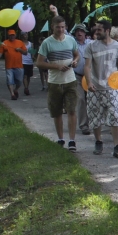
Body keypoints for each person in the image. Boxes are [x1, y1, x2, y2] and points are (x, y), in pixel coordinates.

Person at [83, 20, 118, 159]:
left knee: (114, 116)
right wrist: (89, 83)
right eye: (96, 29)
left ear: (107, 30)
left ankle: (117, 146)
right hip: (95, 87)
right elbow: (87, 66)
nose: (96, 32)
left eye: (99, 30)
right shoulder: (91, 46)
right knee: (95, 116)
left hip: (112, 87)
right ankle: (98, 141)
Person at [35, 15, 80, 151]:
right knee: (57, 112)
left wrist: (75, 61)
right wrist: (56, 66)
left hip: (70, 80)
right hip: (54, 82)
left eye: (63, 27)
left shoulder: (71, 40)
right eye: (58, 27)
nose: (61, 30)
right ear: (52, 28)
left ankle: (72, 140)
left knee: (71, 110)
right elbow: (39, 62)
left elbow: (76, 54)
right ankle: (61, 138)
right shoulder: (47, 43)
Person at [0, 29, 27, 100]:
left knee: (19, 81)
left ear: (15, 35)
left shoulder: (20, 42)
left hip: (19, 65)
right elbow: (0, 53)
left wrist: (20, 50)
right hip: (9, 66)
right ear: (8, 36)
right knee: (10, 80)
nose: (12, 36)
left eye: (13, 35)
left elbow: (25, 52)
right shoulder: (4, 43)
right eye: (10, 35)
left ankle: (16, 89)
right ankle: (12, 94)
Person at [71, 23, 91, 135]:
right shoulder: (72, 43)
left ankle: (92, 123)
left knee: (90, 99)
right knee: (81, 99)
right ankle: (84, 125)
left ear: (85, 33)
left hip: (89, 77)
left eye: (81, 31)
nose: (79, 33)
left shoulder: (91, 43)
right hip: (77, 76)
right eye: (77, 31)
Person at [20, 31, 36, 96]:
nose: (26, 36)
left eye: (26, 34)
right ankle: (26, 88)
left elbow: (32, 53)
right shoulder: (20, 43)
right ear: (22, 36)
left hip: (29, 62)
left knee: (28, 76)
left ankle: (27, 87)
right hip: (22, 61)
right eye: (24, 34)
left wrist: (34, 57)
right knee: (25, 76)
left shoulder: (31, 44)